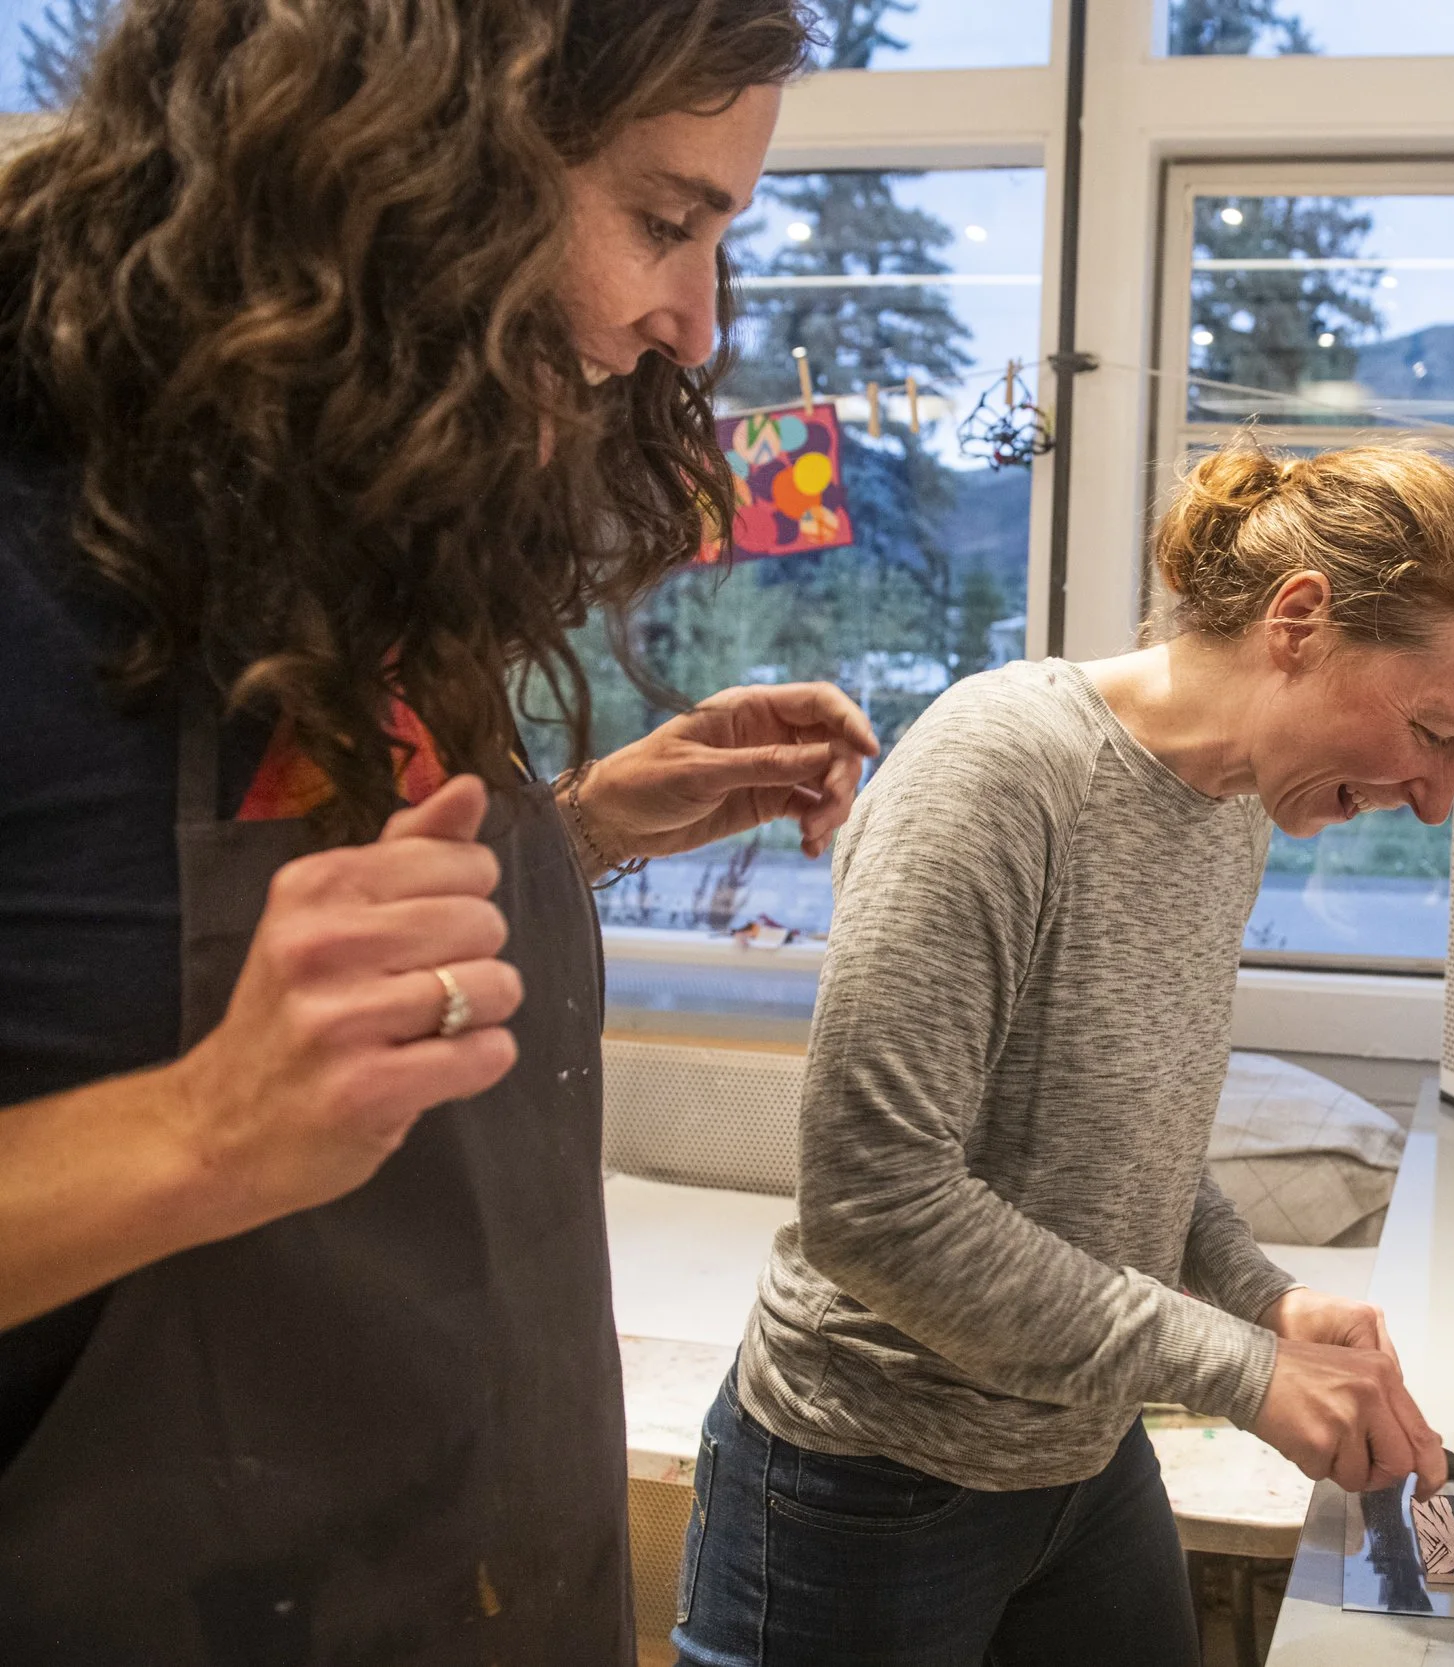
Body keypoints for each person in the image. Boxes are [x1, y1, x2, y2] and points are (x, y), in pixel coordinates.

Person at [0, 1, 875, 1657]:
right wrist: (195, 1131)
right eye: (664, 220)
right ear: (410, 156)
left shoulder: (364, 495)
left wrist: (593, 826)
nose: (694, 326)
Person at [673, 437, 1454, 1666]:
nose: (1439, 798)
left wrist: (1264, 1294)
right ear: (1300, 620)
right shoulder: (1001, 770)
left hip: (1082, 1456)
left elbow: (1128, 1130)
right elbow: (872, 1202)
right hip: (866, 1475)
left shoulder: (1236, 805)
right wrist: (1244, 1369)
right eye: (1435, 730)